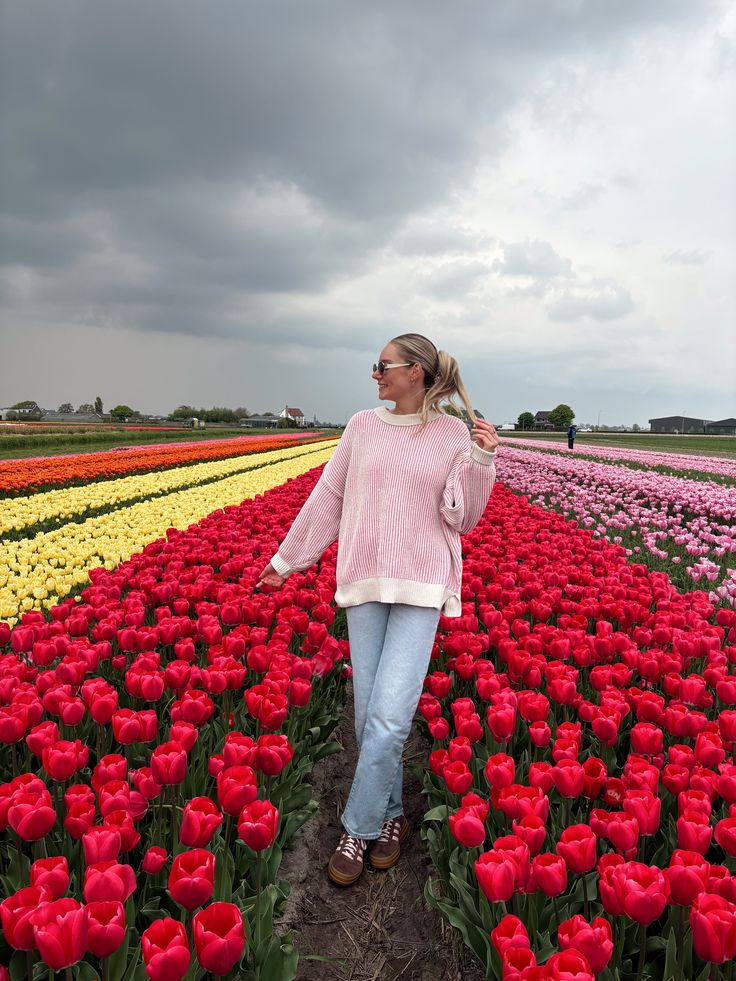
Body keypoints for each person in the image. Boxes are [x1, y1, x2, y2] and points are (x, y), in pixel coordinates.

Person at [257, 333, 499, 886]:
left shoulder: (451, 434)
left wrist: (482, 460)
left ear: (415, 371)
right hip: (365, 581)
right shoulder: (362, 428)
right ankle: (391, 818)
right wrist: (288, 559)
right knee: (369, 714)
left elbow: (462, 520)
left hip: (421, 585)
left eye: (382, 366)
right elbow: (329, 496)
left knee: (391, 716)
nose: (375, 374)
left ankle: (356, 829)